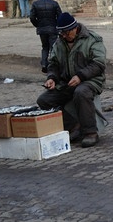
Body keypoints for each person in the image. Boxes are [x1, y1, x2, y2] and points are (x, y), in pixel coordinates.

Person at [36, 12, 107, 148]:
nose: (64, 36)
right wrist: (52, 78)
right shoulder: (59, 42)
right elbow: (54, 64)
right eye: (61, 34)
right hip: (67, 82)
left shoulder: (92, 40)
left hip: (91, 80)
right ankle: (73, 125)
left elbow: (99, 64)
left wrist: (80, 76)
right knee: (44, 100)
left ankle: (90, 133)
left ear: (74, 28)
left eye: (66, 33)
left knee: (81, 92)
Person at [30, 0, 62, 73]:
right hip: (52, 28)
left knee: (45, 47)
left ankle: (44, 64)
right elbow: (60, 16)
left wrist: (37, 25)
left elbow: (32, 17)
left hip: (42, 29)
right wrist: (58, 26)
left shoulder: (35, 4)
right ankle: (54, 65)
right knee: (53, 47)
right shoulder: (54, 3)